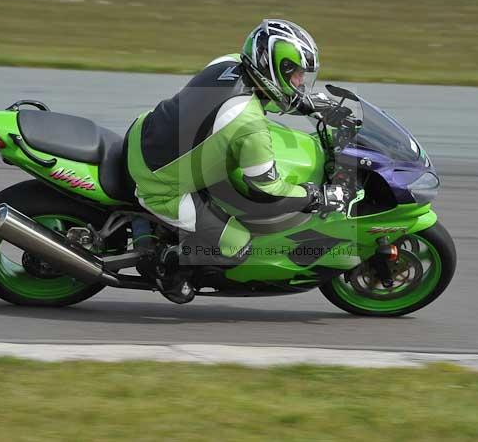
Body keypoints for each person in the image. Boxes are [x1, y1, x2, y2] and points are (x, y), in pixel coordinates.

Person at [126, 19, 339, 299]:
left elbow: (264, 97)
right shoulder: (249, 126)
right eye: (297, 75)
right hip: (161, 185)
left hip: (143, 130)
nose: (300, 82)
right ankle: (168, 269)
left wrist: (308, 105)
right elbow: (265, 188)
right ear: (274, 71)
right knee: (236, 246)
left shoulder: (229, 63)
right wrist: (316, 195)